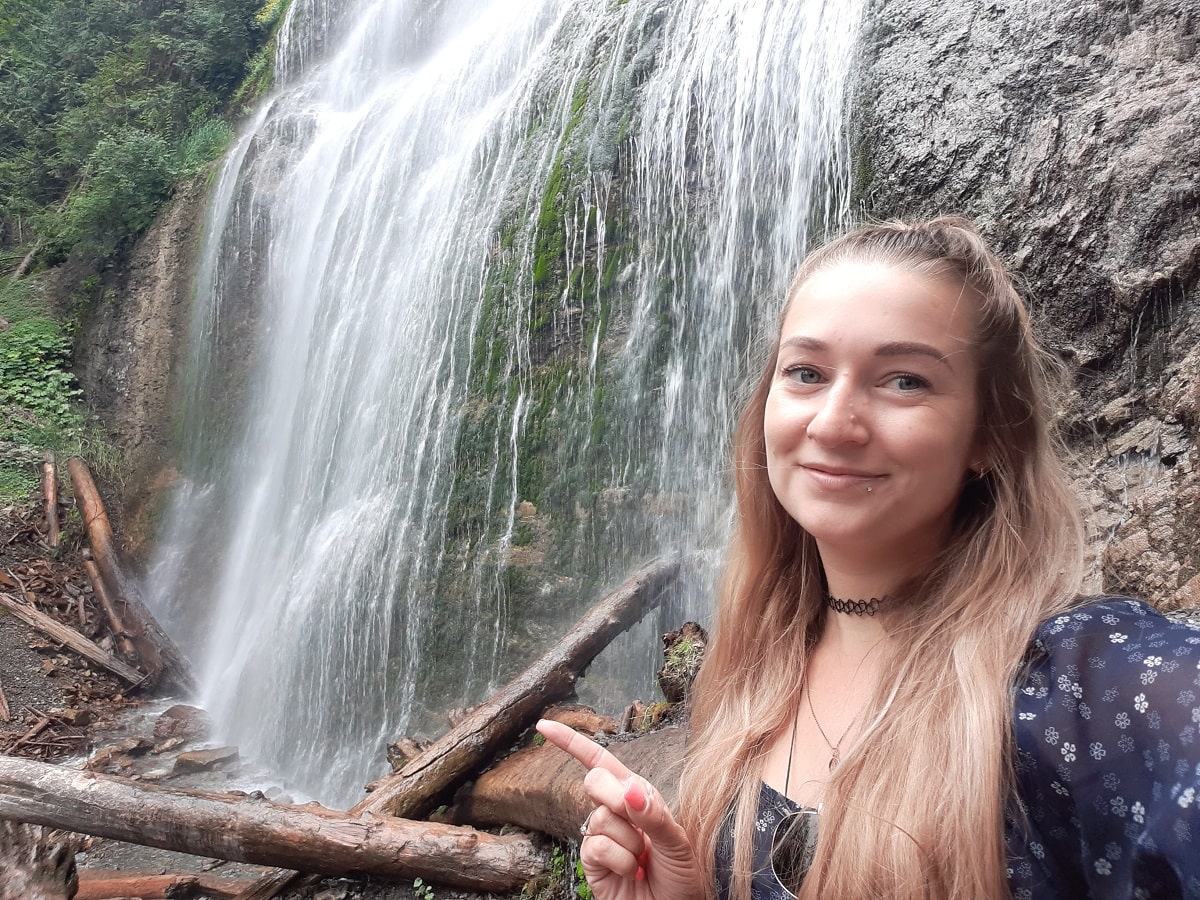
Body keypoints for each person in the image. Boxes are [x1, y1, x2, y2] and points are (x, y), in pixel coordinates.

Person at [537, 216, 1200, 899]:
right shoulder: (755, 667)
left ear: (989, 435)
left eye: (904, 381)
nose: (832, 422)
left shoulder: (1079, 686)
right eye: (806, 373)